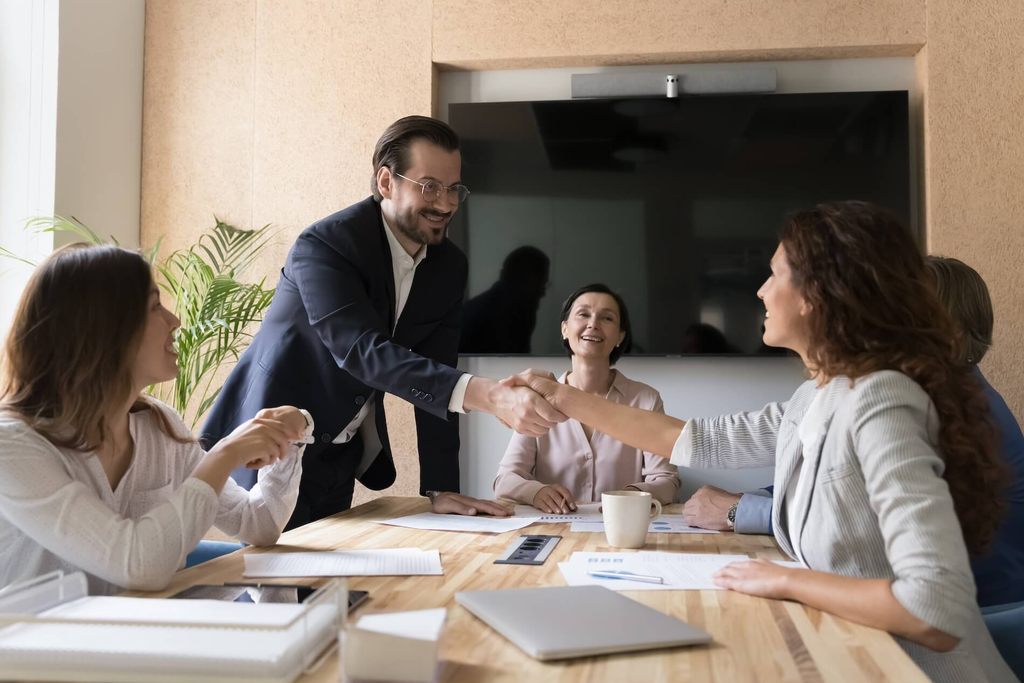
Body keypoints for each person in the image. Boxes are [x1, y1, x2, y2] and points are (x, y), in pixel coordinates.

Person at [504, 202, 1018, 683]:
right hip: (850, 654)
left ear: (820, 292)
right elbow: (692, 440)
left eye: (774, 275)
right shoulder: (815, 397)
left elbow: (935, 610)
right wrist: (560, 395)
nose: (760, 291)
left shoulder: (881, 400)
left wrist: (784, 580)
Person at [200, 116, 565, 529]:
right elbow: (362, 351)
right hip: (272, 444)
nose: (445, 204)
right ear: (386, 182)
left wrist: (441, 488)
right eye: (429, 186)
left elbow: (440, 373)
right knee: (271, 582)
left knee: (332, 589)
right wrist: (490, 395)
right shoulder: (325, 245)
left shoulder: (449, 267)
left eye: (453, 189)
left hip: (343, 452)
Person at [683, 257, 1024, 602]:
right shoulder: (917, 392)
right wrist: (748, 501)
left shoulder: (950, 411)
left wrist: (737, 510)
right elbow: (833, 478)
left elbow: (854, 521)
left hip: (968, 622)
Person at [0, 244, 311, 595]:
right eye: (154, 306)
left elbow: (259, 523)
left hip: (131, 640)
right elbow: (137, 565)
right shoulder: (12, 446)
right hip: (31, 647)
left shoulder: (159, 426)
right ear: (103, 331)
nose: (174, 320)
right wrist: (224, 456)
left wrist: (289, 434)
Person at [493, 285, 679, 512]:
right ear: (564, 329)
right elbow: (505, 479)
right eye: (583, 314)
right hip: (556, 529)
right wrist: (536, 492)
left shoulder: (645, 399)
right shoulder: (537, 399)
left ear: (620, 336)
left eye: (607, 318)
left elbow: (667, 481)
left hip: (623, 529)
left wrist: (633, 495)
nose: (593, 324)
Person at [460, 246, 550, 354]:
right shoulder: (511, 313)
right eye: (541, 284)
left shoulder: (521, 309)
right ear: (524, 279)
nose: (543, 292)